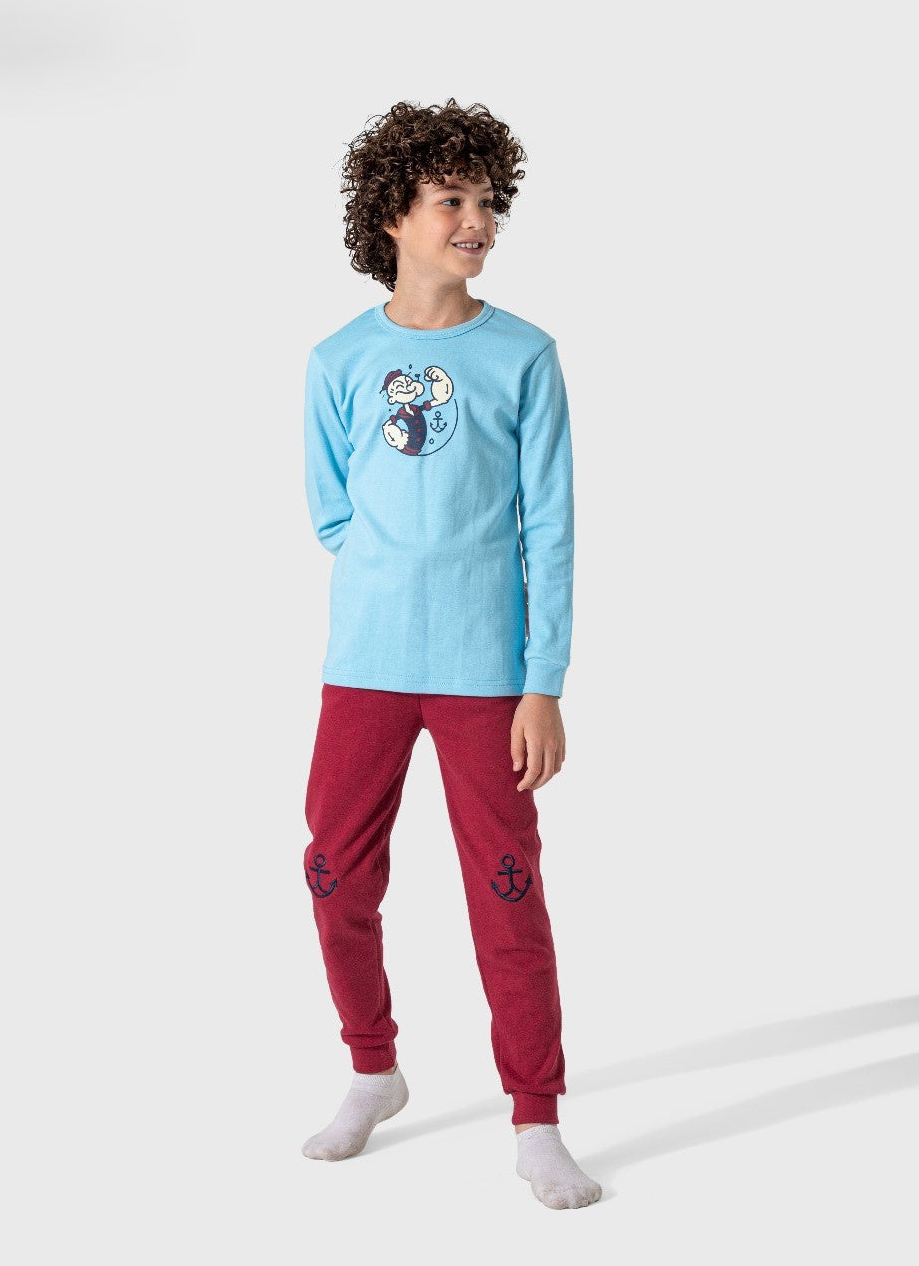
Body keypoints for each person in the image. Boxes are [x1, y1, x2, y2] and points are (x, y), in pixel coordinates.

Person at [300, 98, 601, 1210]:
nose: (477, 221)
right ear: (393, 215)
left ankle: (536, 1116)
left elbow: (548, 525)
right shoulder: (338, 358)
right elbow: (332, 510)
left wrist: (541, 681)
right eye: (451, 200)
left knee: (507, 892)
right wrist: (397, 570)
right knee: (333, 872)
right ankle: (372, 1067)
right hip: (364, 667)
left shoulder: (522, 355)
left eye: (487, 201)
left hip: (486, 676)